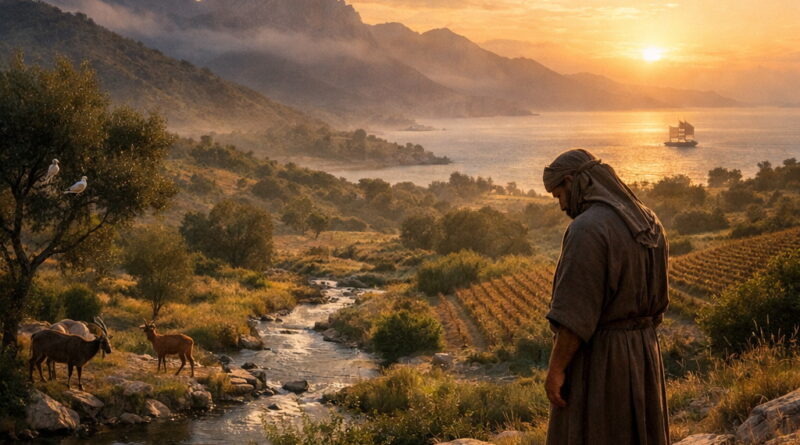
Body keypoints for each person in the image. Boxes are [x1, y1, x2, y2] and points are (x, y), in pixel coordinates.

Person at [541, 149, 670, 445]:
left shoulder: (586, 229)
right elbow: (660, 302)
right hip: (645, 352)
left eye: (559, 194)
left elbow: (574, 316)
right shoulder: (650, 221)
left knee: (596, 431)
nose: (561, 205)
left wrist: (556, 370)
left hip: (602, 359)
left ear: (573, 181)